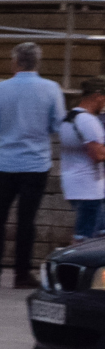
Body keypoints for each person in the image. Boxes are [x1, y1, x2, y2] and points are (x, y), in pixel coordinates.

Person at [0, 41, 65, 288]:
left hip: (4, 162)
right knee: (27, 221)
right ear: (38, 62)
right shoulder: (51, 88)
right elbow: (58, 125)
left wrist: (5, 126)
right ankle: (21, 273)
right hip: (35, 163)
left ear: (15, 61)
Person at [61, 78, 105, 243]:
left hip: (75, 186)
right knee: (85, 240)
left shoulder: (69, 117)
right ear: (98, 95)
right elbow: (98, 155)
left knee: (97, 235)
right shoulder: (88, 121)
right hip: (89, 189)